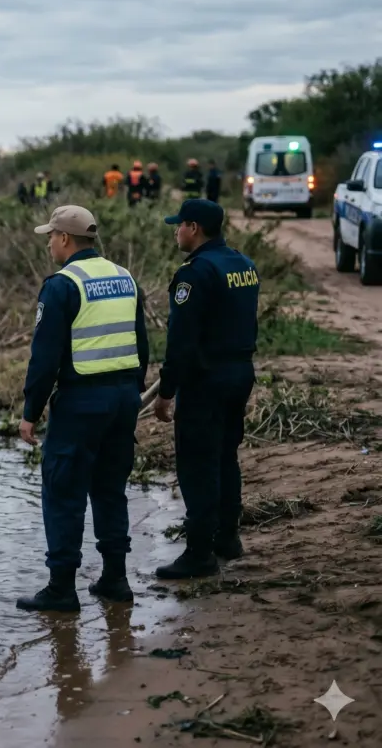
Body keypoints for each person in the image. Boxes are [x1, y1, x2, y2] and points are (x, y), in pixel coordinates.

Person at [16, 205, 150, 612]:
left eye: (50, 236)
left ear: (65, 239)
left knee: (63, 493)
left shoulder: (62, 285)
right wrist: (134, 393)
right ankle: (115, 579)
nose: (48, 243)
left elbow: (44, 359)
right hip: (123, 398)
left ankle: (61, 588)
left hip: (81, 403)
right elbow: (141, 346)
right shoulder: (125, 278)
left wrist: (30, 411)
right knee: (110, 490)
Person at [152, 200, 260, 579]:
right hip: (239, 373)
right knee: (225, 457)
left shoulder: (193, 274)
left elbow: (181, 342)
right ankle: (227, 539)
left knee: (197, 464)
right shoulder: (243, 265)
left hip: (206, 380)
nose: (175, 231)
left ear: (193, 227)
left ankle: (199, 555)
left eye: (178, 225)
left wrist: (166, 392)